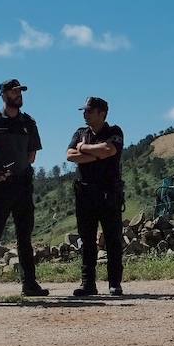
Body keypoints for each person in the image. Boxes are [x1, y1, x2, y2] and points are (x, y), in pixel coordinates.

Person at [0, 79, 48, 296]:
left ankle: (29, 284)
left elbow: (32, 155)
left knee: (24, 238)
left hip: (22, 185)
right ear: (3, 95)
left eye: (20, 91)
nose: (19, 95)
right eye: (14, 91)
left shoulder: (28, 122)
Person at [65, 97, 125, 296]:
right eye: (85, 110)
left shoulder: (115, 132)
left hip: (109, 194)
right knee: (87, 240)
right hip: (85, 194)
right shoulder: (80, 133)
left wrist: (83, 148)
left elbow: (109, 150)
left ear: (102, 113)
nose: (85, 114)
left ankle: (114, 283)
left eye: (90, 111)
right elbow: (70, 155)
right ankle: (88, 284)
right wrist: (96, 153)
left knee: (113, 240)